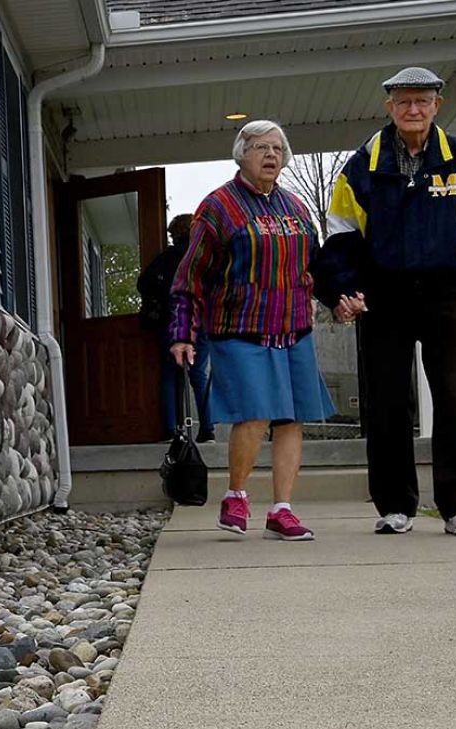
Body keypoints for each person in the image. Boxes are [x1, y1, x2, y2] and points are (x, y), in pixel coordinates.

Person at [314, 67, 456, 537]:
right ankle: (395, 505)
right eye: (403, 102)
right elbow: (340, 237)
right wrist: (347, 290)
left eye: (422, 101)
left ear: (437, 106)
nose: (413, 110)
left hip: (449, 297)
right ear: (390, 108)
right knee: (385, 403)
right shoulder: (364, 164)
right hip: (384, 299)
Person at [169, 120, 334, 541]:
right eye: (260, 147)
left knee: (292, 418)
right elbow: (191, 275)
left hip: (293, 327)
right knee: (256, 412)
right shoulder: (219, 206)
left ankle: (282, 510)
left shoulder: (296, 209)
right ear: (241, 154)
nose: (271, 155)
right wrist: (183, 331)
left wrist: (340, 297)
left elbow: (314, 267)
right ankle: (236, 495)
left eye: (278, 148)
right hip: (240, 328)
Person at [138, 214, 212, 442]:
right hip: (201, 322)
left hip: (173, 324)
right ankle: (207, 429)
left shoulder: (167, 258)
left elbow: (143, 283)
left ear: (175, 234)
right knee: (199, 375)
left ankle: (172, 430)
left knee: (170, 375)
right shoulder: (205, 258)